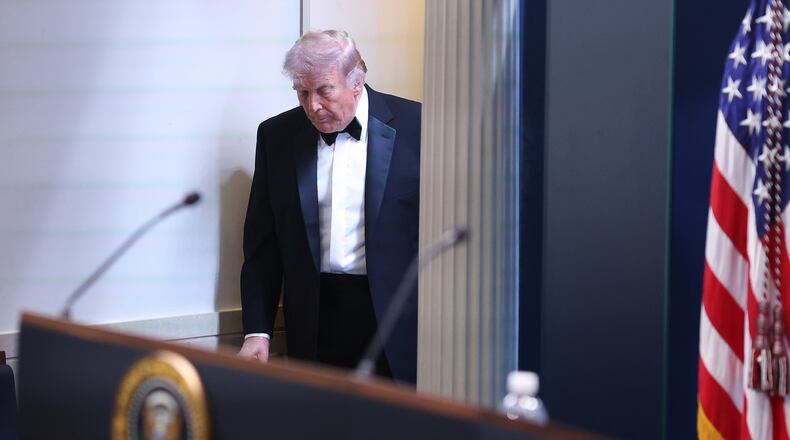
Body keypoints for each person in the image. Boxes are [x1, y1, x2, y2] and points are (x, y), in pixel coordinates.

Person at [238, 30, 421, 384]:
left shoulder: (420, 126)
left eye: (324, 90)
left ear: (357, 81)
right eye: (302, 93)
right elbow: (263, 247)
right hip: (315, 319)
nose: (312, 106)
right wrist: (256, 331)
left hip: (399, 321)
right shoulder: (276, 136)